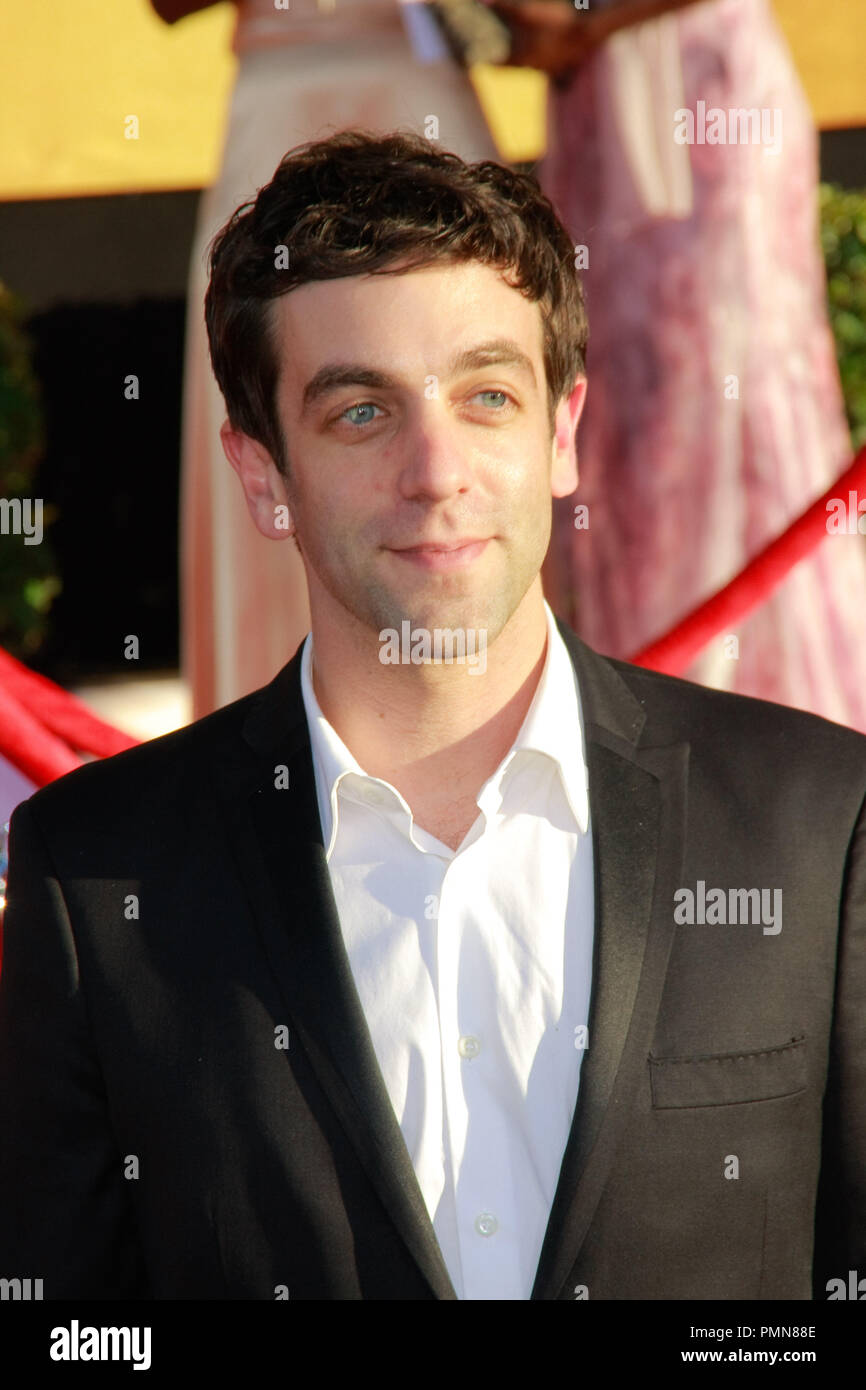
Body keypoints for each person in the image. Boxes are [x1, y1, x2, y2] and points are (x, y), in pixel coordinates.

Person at [0, 130, 863, 1300]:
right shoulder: (97, 876)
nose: (436, 468)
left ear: (559, 434)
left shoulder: (817, 821)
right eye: (361, 412)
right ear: (262, 476)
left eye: (486, 394)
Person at [493, 0, 866, 731]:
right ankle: (634, 724)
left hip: (705, 93)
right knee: (610, 410)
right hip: (592, 104)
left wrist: (587, 22)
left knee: (722, 387)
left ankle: (758, 724)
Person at [150, 0, 499, 719]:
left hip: (415, 81)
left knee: (474, 379)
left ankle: (483, 721)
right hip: (280, 91)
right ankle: (270, 744)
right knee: (272, 393)